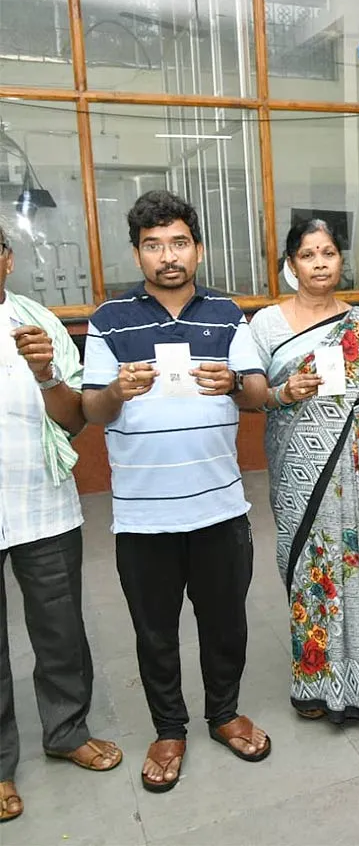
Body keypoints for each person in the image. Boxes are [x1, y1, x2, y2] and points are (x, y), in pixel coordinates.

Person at [81, 191, 271, 794]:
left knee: (225, 623)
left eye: (179, 243)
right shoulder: (109, 320)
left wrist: (234, 381)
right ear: (137, 253)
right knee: (154, 631)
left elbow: (259, 393)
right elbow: (90, 408)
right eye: (154, 245)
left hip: (220, 503)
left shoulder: (228, 314)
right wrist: (116, 392)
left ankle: (224, 713)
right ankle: (169, 728)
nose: (168, 256)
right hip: (143, 516)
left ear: (198, 248)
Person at [250, 219, 359, 723]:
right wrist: (282, 394)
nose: (319, 263)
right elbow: (249, 396)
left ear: (341, 261)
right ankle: (312, 679)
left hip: (356, 459)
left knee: (357, 561)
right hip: (296, 465)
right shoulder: (266, 324)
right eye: (308, 254)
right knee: (309, 567)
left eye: (329, 253)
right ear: (291, 264)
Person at [0, 224, 122, 823]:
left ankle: (66, 730)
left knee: (59, 628)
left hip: (39, 500)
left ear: (7, 258)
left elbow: (75, 420)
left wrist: (47, 373)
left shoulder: (38, 323)